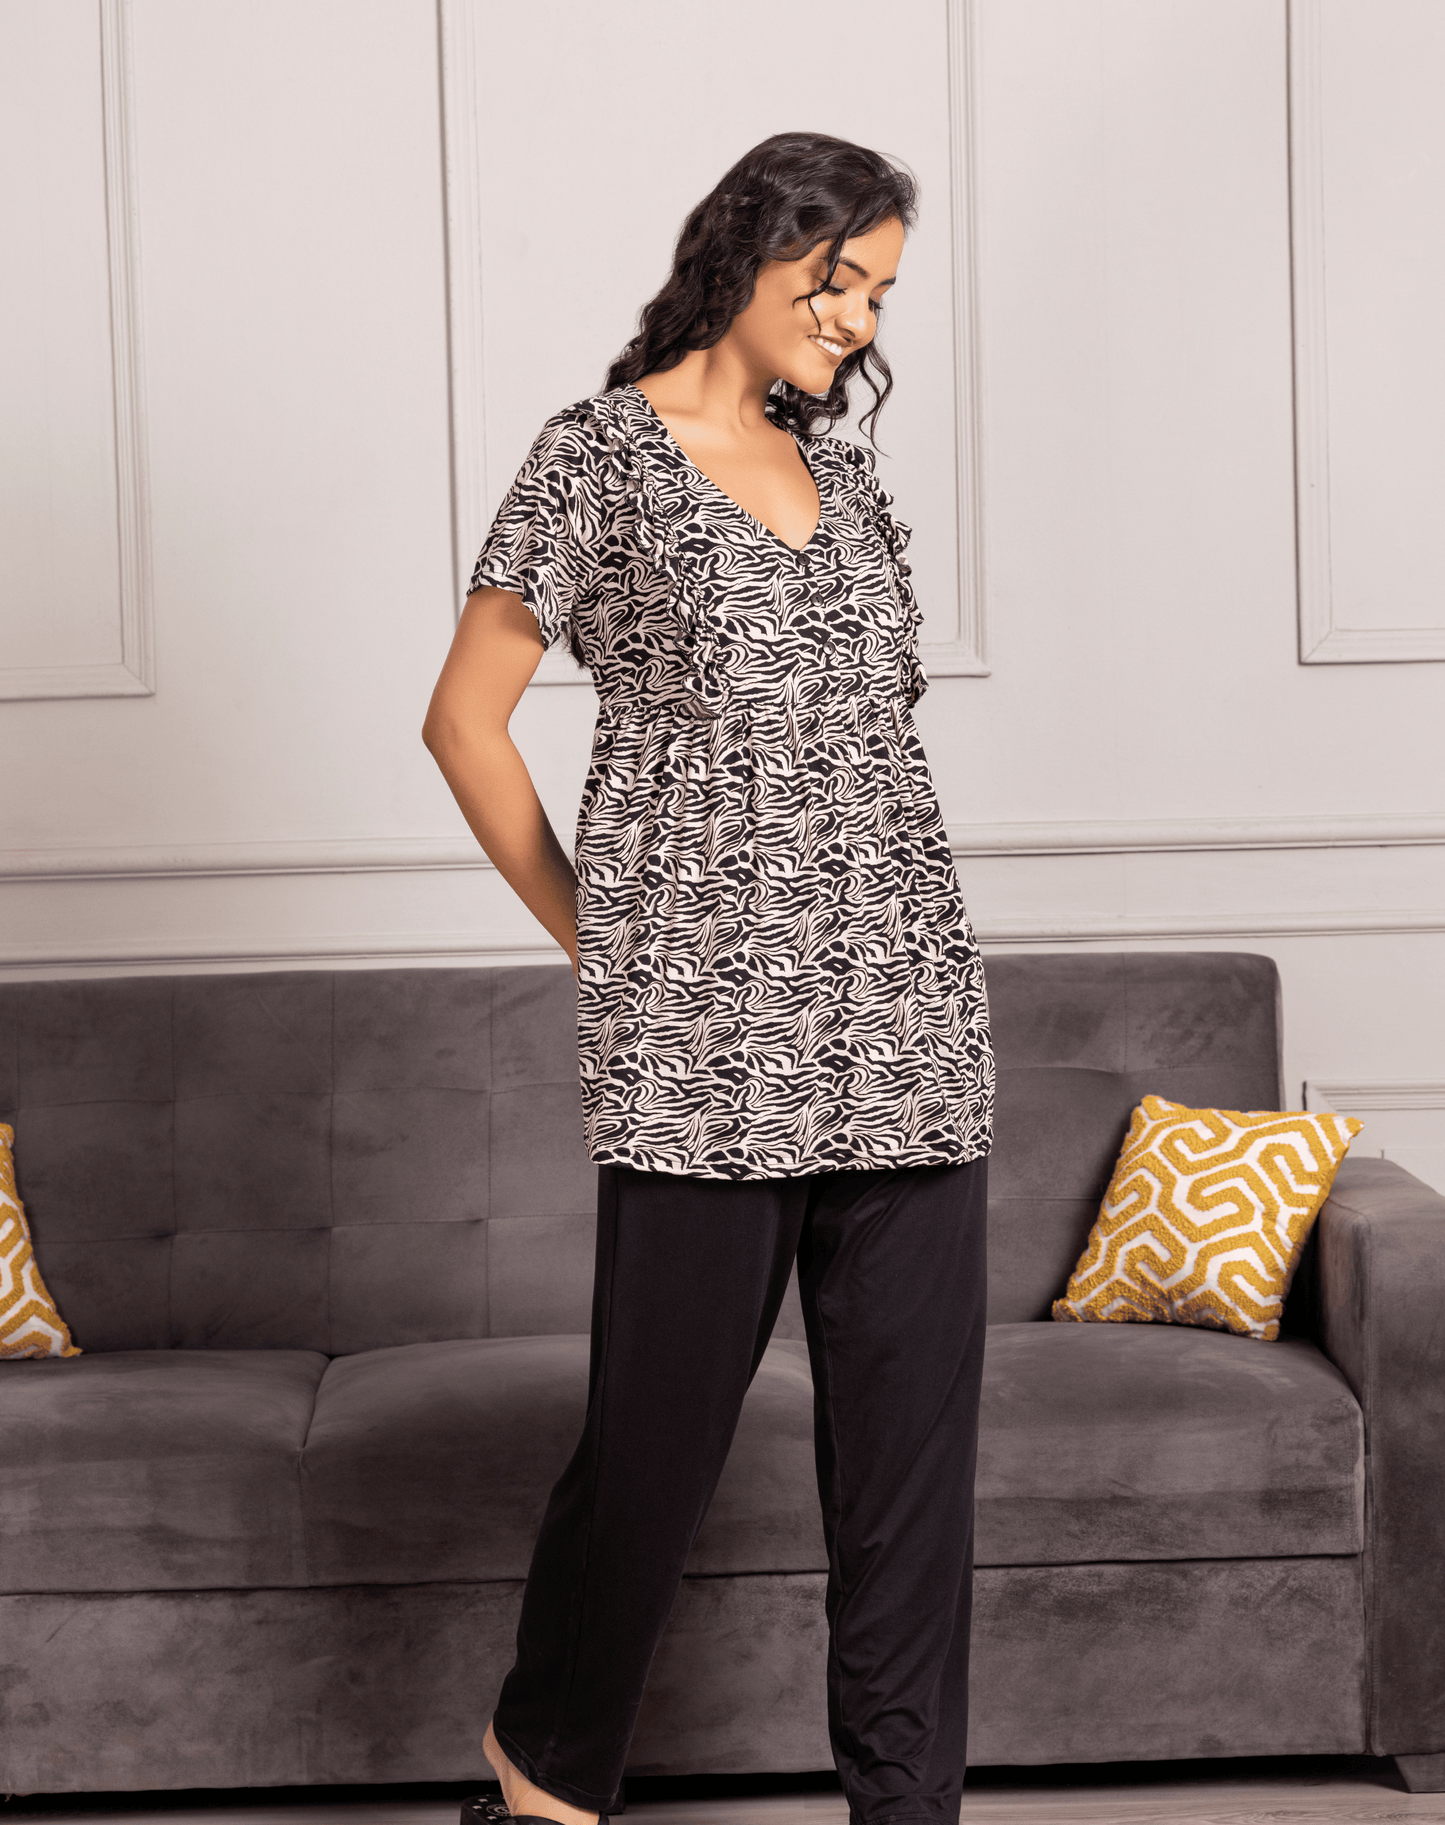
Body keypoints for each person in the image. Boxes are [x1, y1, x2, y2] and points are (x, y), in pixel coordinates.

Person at [422, 130, 995, 1825]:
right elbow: (463, 723)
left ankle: (909, 1812)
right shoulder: (595, 455)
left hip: (907, 1026)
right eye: (840, 278)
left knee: (907, 1486)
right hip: (704, 1046)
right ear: (753, 249)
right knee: (654, 1452)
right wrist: (601, 935)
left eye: (882, 292)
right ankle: (543, 1776)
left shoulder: (848, 478)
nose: (860, 317)